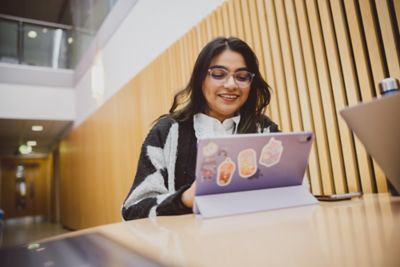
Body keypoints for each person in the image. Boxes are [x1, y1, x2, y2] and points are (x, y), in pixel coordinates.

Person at [122, 37, 279, 220]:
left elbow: (292, 193)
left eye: (242, 77)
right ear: (200, 78)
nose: (231, 85)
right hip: (187, 246)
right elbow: (132, 210)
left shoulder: (265, 131)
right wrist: (184, 199)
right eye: (219, 74)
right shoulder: (167, 132)